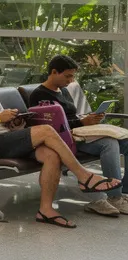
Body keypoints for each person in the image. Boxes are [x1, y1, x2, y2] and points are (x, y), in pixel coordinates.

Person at [0, 59, 119, 229]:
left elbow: (0, 122)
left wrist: (14, 122)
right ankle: (84, 177)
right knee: (46, 130)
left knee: (51, 155)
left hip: (9, 139)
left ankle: (46, 210)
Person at [28, 55, 128, 217]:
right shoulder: (39, 95)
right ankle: (113, 197)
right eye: (68, 76)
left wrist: (89, 119)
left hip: (79, 133)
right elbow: (51, 126)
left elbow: (70, 116)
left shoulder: (63, 90)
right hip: (63, 139)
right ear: (54, 72)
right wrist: (82, 122)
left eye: (72, 76)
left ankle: (123, 191)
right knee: (109, 143)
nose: (71, 80)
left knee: (125, 142)